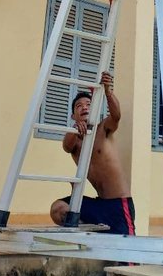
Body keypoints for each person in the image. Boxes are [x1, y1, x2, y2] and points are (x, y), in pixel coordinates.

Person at [50, 71, 136, 235]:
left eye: (88, 104)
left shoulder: (103, 129)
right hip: (99, 205)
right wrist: (75, 128)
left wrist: (107, 91)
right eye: (79, 106)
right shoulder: (73, 141)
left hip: (119, 204)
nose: (84, 107)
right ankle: (82, 233)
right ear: (73, 115)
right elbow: (66, 147)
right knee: (58, 209)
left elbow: (116, 116)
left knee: (127, 257)